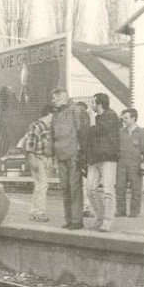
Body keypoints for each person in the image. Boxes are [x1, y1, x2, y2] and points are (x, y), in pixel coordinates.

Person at [49, 88, 89, 229]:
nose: (52, 101)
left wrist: (83, 154)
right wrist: (52, 156)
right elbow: (52, 136)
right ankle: (69, 219)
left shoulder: (77, 110)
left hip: (73, 155)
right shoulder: (56, 115)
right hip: (61, 155)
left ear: (63, 98)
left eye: (54, 99)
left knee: (75, 188)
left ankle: (77, 221)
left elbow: (83, 133)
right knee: (65, 188)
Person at [82, 94, 120, 232]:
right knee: (90, 189)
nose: (90, 105)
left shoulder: (111, 116)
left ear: (99, 103)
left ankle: (107, 221)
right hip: (95, 158)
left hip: (108, 157)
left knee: (108, 190)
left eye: (92, 102)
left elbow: (97, 131)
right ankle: (100, 217)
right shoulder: (98, 118)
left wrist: (91, 119)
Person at [17, 106, 55, 222]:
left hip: (43, 158)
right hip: (37, 158)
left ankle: (34, 212)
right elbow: (30, 146)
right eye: (53, 116)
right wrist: (33, 161)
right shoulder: (36, 126)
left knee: (40, 186)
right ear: (48, 114)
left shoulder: (47, 127)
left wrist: (49, 160)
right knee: (42, 186)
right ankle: (39, 212)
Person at [115, 107, 144, 218]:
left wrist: (143, 165)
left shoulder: (142, 133)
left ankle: (134, 212)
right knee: (119, 188)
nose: (124, 120)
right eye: (123, 118)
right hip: (121, 164)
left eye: (126, 118)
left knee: (136, 189)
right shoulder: (120, 132)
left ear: (133, 119)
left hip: (135, 165)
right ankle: (121, 210)